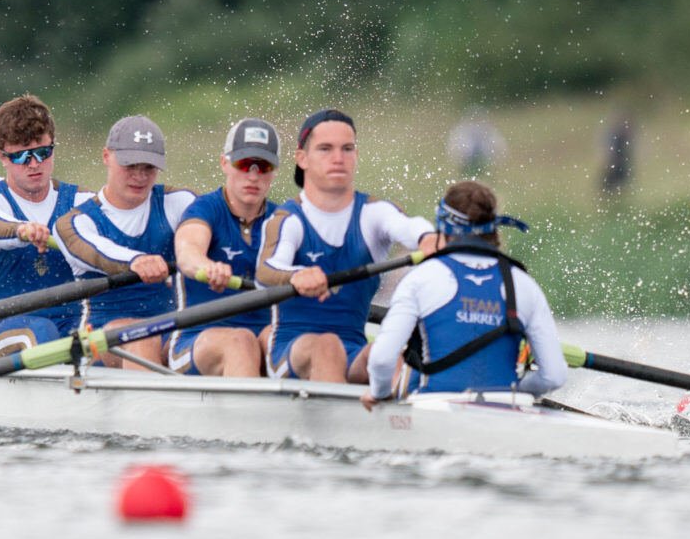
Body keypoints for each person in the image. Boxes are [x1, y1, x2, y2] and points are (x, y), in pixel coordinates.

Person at [256, 108, 439, 383]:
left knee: (390, 356)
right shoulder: (288, 219)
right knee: (327, 347)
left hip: (352, 349)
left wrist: (428, 238)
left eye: (347, 148)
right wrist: (296, 276)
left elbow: (408, 226)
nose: (338, 158)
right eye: (325, 149)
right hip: (288, 353)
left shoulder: (373, 213)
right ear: (302, 158)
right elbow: (265, 272)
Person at [364, 181, 568, 405]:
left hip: (433, 411)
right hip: (505, 413)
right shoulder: (523, 284)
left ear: (443, 227)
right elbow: (554, 376)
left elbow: (381, 360)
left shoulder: (421, 278)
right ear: (494, 228)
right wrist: (518, 389)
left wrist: (380, 395)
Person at [0, 93, 92, 357]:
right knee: (42, 333)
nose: (34, 164)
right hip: (3, 332)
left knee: (111, 332)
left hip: (72, 326)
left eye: (43, 152)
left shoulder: (81, 200)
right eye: (22, 156)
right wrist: (23, 230)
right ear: (2, 157)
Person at [55, 115, 190, 368]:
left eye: (148, 167)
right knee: (141, 336)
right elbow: (98, 252)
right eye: (130, 165)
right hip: (100, 338)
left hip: (170, 328)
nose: (139, 176)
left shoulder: (178, 202)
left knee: (236, 338)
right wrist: (136, 260)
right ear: (106, 156)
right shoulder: (76, 222)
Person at [170, 117, 281, 376]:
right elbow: (187, 253)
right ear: (224, 163)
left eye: (263, 166)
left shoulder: (283, 219)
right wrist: (207, 267)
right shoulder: (205, 209)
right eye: (244, 164)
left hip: (262, 334)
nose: (253, 176)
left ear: (274, 171)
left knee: (292, 338)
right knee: (241, 341)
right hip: (196, 338)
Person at [597, 111, 635, 202]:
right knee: (611, 186)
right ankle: (613, 202)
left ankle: (616, 202)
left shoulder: (621, 135)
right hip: (616, 163)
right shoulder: (616, 135)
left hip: (620, 164)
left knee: (619, 186)